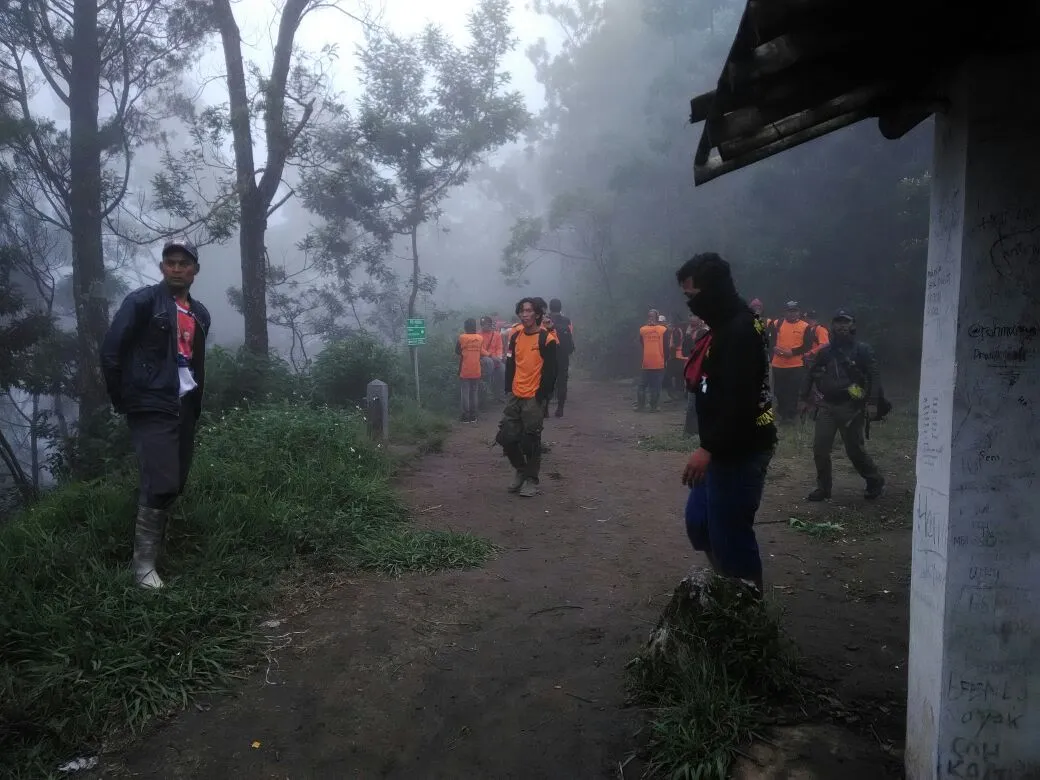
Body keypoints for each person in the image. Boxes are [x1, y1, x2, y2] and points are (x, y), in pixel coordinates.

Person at [100, 238, 211, 589]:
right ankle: (142, 567)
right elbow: (111, 353)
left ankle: (158, 546)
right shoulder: (143, 302)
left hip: (183, 403)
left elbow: (194, 360)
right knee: (161, 480)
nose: (177, 268)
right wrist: (125, 398)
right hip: (149, 403)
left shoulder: (199, 312)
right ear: (162, 267)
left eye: (184, 263)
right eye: (170, 262)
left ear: (195, 270)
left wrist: (195, 403)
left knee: (175, 480)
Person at [677, 253, 777, 595]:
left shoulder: (740, 331)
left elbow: (740, 402)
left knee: (731, 533)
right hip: (721, 447)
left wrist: (707, 448)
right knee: (700, 523)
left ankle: (747, 610)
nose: (691, 306)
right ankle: (727, 588)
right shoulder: (721, 328)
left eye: (692, 297)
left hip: (742, 449)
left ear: (712, 291)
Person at [799, 310, 886, 501]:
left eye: (846, 322)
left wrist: (872, 403)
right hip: (827, 406)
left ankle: (874, 480)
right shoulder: (825, 352)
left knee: (854, 450)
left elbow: (874, 377)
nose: (842, 326)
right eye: (838, 322)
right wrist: (804, 398)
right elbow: (811, 373)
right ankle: (823, 488)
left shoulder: (862, 350)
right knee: (820, 449)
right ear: (832, 326)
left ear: (852, 326)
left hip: (852, 407)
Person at [497, 298, 558, 498]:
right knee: (506, 437)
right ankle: (521, 470)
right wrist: (508, 389)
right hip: (515, 394)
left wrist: (542, 395)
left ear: (538, 314)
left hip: (534, 397)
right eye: (522, 311)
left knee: (530, 441)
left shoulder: (546, 339)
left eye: (529, 311)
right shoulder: (516, 337)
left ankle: (532, 480)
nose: (524, 314)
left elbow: (551, 371)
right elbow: (511, 363)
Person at [769, 301, 814, 423]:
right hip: (778, 364)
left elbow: (808, 345)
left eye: (794, 311)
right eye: (790, 311)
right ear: (785, 312)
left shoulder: (805, 326)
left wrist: (792, 352)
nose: (792, 314)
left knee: (793, 391)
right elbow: (770, 339)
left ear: (799, 312)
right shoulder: (776, 323)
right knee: (779, 391)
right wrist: (773, 347)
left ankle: (790, 416)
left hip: (796, 365)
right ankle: (782, 412)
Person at [682, 314, 709, 437]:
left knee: (698, 403)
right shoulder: (692, 333)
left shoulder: (705, 332)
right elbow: (685, 351)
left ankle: (696, 431)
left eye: (695, 316)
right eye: (691, 316)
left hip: (703, 375)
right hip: (693, 375)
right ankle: (690, 431)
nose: (692, 319)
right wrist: (687, 335)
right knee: (692, 404)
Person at [636, 309, 668, 411]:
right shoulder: (663, 330)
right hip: (659, 361)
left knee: (642, 385)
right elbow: (666, 347)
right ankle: (653, 407)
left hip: (646, 361)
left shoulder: (642, 330)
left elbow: (642, 344)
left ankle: (641, 406)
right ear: (658, 318)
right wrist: (665, 360)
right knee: (655, 386)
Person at [548, 298, 575, 417]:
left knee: (547, 381)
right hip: (563, 354)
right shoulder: (567, 320)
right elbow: (570, 334)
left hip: (548, 355)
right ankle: (560, 408)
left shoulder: (545, 320)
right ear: (560, 307)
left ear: (550, 307)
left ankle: (544, 410)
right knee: (562, 381)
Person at [456, 318, 487, 422]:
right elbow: (481, 352)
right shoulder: (480, 338)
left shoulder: (462, 337)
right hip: (476, 370)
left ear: (465, 327)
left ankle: (465, 417)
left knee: (465, 392)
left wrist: (466, 352)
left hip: (465, 369)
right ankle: (473, 416)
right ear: (475, 327)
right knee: (474, 393)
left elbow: (457, 351)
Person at [479, 315, 505, 402]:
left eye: (485, 324)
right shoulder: (478, 335)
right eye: (482, 324)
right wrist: (491, 356)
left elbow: (499, 347)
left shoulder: (496, 335)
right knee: (488, 362)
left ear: (490, 324)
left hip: (496, 359)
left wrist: (499, 357)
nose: (483, 326)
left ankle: (499, 395)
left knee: (502, 370)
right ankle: (486, 394)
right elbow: (480, 349)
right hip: (484, 358)